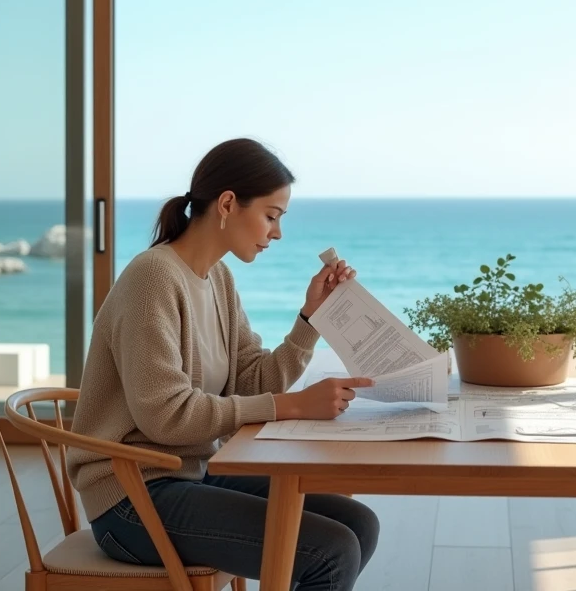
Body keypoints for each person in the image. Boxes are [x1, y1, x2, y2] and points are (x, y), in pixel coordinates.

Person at [68, 138, 380, 591]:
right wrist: (290, 406)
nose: (277, 233)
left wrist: (310, 319)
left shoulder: (217, 278)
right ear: (228, 204)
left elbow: (251, 380)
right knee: (330, 551)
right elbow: (166, 416)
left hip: (193, 472)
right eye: (271, 216)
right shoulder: (152, 278)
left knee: (359, 524)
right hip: (131, 498)